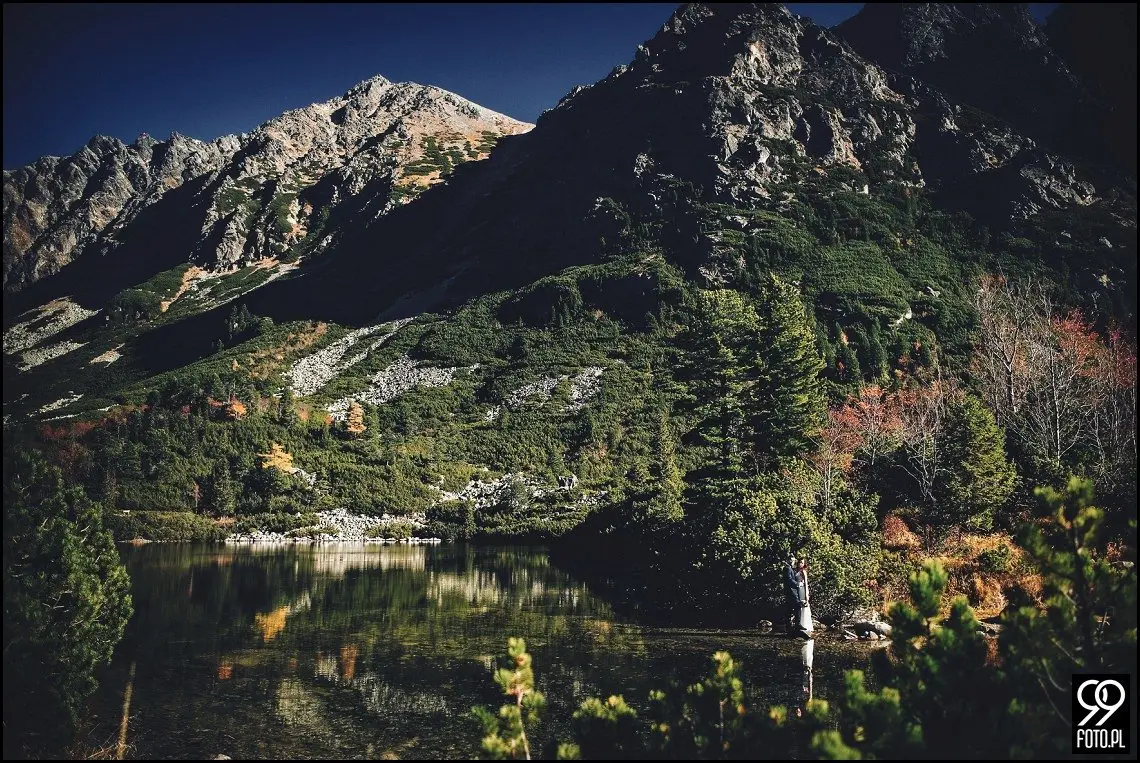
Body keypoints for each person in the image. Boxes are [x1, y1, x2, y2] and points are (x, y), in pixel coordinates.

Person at [783, 555, 803, 634]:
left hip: (790, 592)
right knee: (797, 606)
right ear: (788, 560)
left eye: (793, 560)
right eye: (790, 560)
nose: (792, 561)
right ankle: (797, 626)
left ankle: (790, 629)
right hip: (790, 592)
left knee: (789, 610)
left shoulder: (790, 568)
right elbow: (789, 580)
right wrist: (798, 584)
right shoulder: (787, 568)